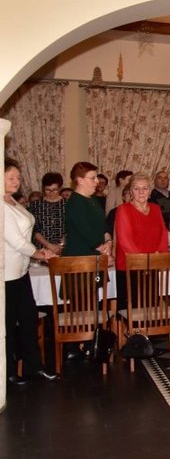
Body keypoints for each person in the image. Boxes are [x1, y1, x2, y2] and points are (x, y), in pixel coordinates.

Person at [5, 159, 59, 385]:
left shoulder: (13, 202)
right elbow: (16, 241)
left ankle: (34, 366)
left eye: (18, 177)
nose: (16, 181)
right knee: (7, 325)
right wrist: (40, 253)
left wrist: (38, 253)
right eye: (10, 177)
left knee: (29, 320)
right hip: (6, 274)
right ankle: (8, 372)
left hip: (21, 270)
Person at [113, 172, 169, 308]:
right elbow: (125, 240)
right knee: (132, 310)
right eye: (136, 188)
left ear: (149, 191)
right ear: (131, 192)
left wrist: (159, 256)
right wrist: (143, 262)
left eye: (145, 188)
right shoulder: (123, 209)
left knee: (150, 307)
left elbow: (163, 233)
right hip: (130, 266)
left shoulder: (155, 209)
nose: (141, 192)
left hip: (152, 264)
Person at [63, 162, 112, 259]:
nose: (97, 181)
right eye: (93, 178)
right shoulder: (75, 202)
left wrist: (108, 241)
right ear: (80, 180)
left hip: (96, 254)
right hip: (81, 257)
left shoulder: (93, 199)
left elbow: (103, 225)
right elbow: (86, 231)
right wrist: (104, 251)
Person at [28, 172, 66, 255]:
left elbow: (72, 228)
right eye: (48, 190)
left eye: (55, 190)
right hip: (42, 250)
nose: (51, 193)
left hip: (64, 249)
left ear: (60, 188)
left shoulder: (68, 204)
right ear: (43, 188)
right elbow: (34, 229)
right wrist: (49, 245)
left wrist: (61, 245)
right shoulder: (35, 205)